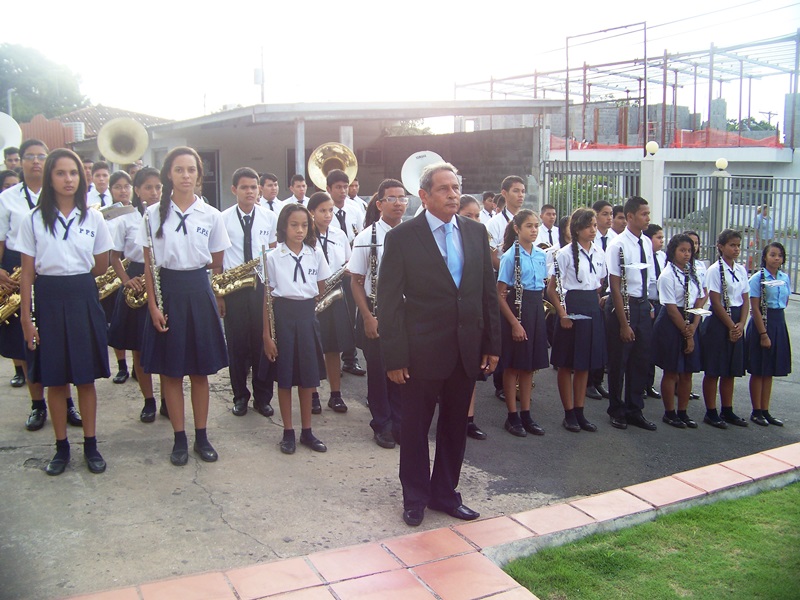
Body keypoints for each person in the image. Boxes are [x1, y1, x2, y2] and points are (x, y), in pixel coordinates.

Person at [377, 162, 501, 527]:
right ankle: (415, 497)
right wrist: (394, 357)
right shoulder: (403, 237)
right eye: (444, 189)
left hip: (465, 349)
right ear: (424, 195)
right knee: (415, 429)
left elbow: (486, 294)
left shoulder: (475, 232)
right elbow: (388, 302)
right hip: (420, 352)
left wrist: (492, 344)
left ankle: (445, 493)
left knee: (454, 426)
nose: (453, 194)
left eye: (456, 188)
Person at [18, 149, 113, 475]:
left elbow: (100, 266)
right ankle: (61, 448)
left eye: (73, 173)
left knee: (85, 379)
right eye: (60, 173)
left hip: (83, 296)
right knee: (55, 380)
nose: (68, 179)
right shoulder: (33, 219)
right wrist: (27, 318)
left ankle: (91, 445)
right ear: (50, 178)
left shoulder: (94, 218)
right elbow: (27, 273)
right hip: (48, 298)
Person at [137, 147, 231, 466]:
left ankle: (201, 437)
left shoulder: (211, 215)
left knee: (199, 372)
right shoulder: (152, 215)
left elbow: (216, 260)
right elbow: (149, 266)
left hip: (198, 290)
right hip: (168, 292)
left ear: (199, 175)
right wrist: (153, 306)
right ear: (169, 174)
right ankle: (179, 438)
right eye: (179, 170)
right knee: (171, 372)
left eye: (191, 170)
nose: (186, 176)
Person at [0, 140, 82, 430]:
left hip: (52, 267)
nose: (35, 161)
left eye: (41, 156)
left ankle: (67, 401)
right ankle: (37, 404)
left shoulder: (61, 194)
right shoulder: (7, 198)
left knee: (60, 341)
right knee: (27, 344)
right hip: (16, 267)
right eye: (29, 156)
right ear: (19, 161)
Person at [262, 204, 330, 454]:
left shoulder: (315, 253)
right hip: (283, 317)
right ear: (283, 227)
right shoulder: (272, 257)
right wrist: (267, 335)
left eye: (304, 225)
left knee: (307, 378)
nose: (300, 230)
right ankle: (288, 432)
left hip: (306, 317)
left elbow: (320, 287)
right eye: (294, 225)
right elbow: (267, 298)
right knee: (285, 378)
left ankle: (307, 432)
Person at [350, 180, 407, 448]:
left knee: (404, 368)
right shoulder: (366, 237)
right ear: (379, 204)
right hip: (377, 310)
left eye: (402, 198)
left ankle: (400, 421)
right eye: (391, 198)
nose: (398, 203)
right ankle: (382, 423)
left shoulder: (413, 233)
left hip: (406, 312)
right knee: (379, 371)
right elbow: (356, 281)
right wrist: (367, 317)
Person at [217, 167, 277, 418]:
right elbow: (217, 260)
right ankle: (240, 396)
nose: (250, 192)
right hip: (234, 289)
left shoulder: (269, 218)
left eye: (254, 187)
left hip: (261, 288)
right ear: (234, 190)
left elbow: (274, 253)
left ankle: (263, 398)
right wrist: (219, 294)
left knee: (263, 343)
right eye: (244, 187)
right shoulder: (222, 219)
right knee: (237, 345)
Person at [107, 167, 165, 422]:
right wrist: (126, 280)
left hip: (163, 278)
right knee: (139, 348)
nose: (154, 192)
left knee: (165, 344)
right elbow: (114, 257)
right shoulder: (126, 219)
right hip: (137, 282)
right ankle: (149, 401)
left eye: (158, 187)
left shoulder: (167, 215)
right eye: (148, 187)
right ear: (137, 191)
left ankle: (167, 401)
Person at [548, 208, 606, 433]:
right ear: (577, 229)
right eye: (588, 226)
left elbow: (598, 283)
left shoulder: (599, 252)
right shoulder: (563, 254)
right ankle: (569, 412)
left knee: (584, 364)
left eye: (595, 225)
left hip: (591, 305)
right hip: (571, 306)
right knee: (567, 363)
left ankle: (580, 411)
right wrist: (562, 314)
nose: (593, 230)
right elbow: (552, 289)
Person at [605, 196, 657, 431]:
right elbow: (615, 285)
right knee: (619, 361)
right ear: (630, 217)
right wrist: (624, 323)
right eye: (644, 214)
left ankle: (635, 409)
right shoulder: (617, 245)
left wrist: (648, 304)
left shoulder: (645, 242)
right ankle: (616, 409)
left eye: (648, 214)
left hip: (642, 305)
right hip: (623, 305)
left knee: (640, 359)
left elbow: (647, 279)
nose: (648, 218)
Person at [497, 209, 550, 437]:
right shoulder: (510, 256)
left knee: (529, 366)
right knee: (513, 366)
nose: (534, 230)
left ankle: (526, 414)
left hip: (535, 308)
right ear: (517, 229)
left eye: (536, 226)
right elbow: (499, 294)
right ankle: (512, 416)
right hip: (517, 311)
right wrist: (514, 324)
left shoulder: (541, 255)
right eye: (529, 226)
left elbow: (542, 287)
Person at [307, 191, 353, 414]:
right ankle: (313, 395)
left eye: (330, 210)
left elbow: (347, 262)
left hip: (334, 295)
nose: (327, 215)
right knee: (313, 349)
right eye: (322, 211)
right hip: (311, 297)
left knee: (333, 348)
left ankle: (336, 395)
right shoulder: (305, 237)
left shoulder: (339, 234)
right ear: (311, 212)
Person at [653, 234, 704, 429]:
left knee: (687, 372)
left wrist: (694, 326)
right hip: (672, 323)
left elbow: (700, 300)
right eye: (682, 250)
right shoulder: (667, 275)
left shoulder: (693, 273)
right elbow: (672, 309)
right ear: (673, 251)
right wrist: (687, 333)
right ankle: (670, 412)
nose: (687, 254)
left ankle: (683, 412)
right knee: (672, 371)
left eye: (689, 251)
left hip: (691, 320)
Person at [700, 229, 749, 429]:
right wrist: (730, 325)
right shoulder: (714, 270)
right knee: (714, 368)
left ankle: (727, 409)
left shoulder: (741, 270)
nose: (736, 249)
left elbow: (745, 299)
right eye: (732, 245)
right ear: (721, 247)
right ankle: (711, 411)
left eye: (738, 245)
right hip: (720, 321)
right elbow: (715, 300)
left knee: (730, 369)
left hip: (736, 319)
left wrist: (741, 324)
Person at [325, 169, 366, 377]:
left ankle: (350, 360)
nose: (343, 191)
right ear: (328, 189)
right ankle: (330, 360)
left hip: (351, 267)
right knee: (329, 317)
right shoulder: (323, 211)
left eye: (345, 187)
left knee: (350, 314)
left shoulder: (355, 209)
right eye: (338, 187)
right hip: (330, 271)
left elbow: (361, 236)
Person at [746, 242, 790, 426]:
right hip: (762, 322)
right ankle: (756, 411)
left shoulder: (784, 277)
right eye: (772, 255)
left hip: (778, 321)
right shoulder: (757, 278)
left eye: (779, 255)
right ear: (765, 257)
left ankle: (765, 410)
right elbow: (754, 308)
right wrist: (763, 333)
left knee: (770, 370)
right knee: (759, 369)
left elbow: (785, 301)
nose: (776, 258)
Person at [457, 195, 489, 440]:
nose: (475, 220)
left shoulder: (479, 236)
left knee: (471, 372)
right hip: (449, 318)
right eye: (469, 215)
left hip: (472, 316)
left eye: (477, 215)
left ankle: (468, 419)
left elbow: (486, 287)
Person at [105, 170, 134, 384]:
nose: (123, 191)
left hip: (131, 266)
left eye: (126, 186)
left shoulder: (138, 211)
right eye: (117, 187)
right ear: (111, 190)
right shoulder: (105, 214)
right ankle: (122, 366)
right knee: (118, 322)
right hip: (110, 267)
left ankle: (137, 366)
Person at [643, 223, 666, 400]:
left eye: (662, 237)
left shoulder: (662, 256)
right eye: (658, 237)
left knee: (654, 345)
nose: (662, 241)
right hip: (647, 302)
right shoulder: (644, 255)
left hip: (661, 303)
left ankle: (649, 383)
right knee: (644, 345)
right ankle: (641, 384)